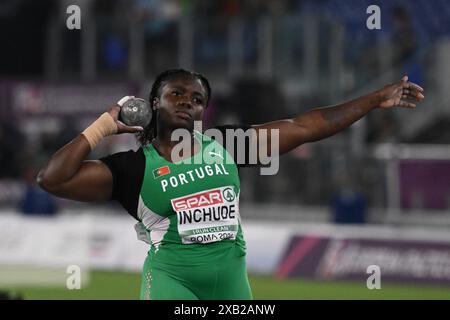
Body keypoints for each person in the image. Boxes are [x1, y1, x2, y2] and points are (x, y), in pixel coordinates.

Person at [37, 69, 424, 299]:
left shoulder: (226, 144)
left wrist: (375, 99)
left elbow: (307, 127)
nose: (188, 101)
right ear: (153, 102)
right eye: (177, 93)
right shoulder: (131, 170)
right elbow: (51, 179)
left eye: (197, 98)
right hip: (173, 281)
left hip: (232, 284)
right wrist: (104, 126)